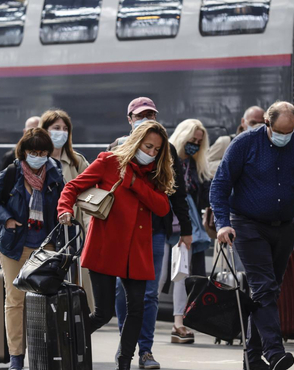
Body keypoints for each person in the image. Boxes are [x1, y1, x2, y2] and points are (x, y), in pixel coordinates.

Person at [211, 101, 294, 370]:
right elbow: (220, 184)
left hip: (284, 226)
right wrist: (222, 223)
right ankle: (274, 350)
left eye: (290, 131)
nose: (285, 137)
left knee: (267, 292)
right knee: (264, 286)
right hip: (247, 225)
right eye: (280, 131)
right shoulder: (245, 143)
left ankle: (253, 360)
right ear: (267, 123)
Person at [58, 121, 173, 370]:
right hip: (106, 245)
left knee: (136, 310)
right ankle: (65, 341)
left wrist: (134, 183)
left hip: (137, 250)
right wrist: (64, 209)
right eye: (148, 146)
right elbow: (73, 186)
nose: (151, 153)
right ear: (136, 142)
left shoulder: (156, 172)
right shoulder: (109, 161)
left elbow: (163, 207)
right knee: (103, 312)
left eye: (156, 149)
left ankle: (124, 361)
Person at [109, 97, 191, 369]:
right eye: (141, 115)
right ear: (130, 120)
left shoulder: (165, 149)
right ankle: (126, 345)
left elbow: (179, 193)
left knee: (149, 294)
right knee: (123, 291)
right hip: (124, 232)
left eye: (151, 114)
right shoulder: (118, 147)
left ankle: (145, 350)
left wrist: (186, 230)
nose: (146, 119)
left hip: (155, 231)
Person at [0, 128, 63, 370]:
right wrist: (7, 218)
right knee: (15, 301)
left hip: (45, 246)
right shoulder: (12, 172)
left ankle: (42, 354)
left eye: (42, 152)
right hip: (14, 246)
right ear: (24, 151)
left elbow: (62, 202)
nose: (37, 156)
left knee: (43, 301)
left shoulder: (54, 174)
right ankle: (17, 357)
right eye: (32, 151)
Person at [168, 118, 214, 344]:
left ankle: (180, 322)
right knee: (172, 273)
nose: (194, 144)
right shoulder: (168, 160)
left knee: (183, 271)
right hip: (171, 221)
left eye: (198, 141)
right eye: (192, 139)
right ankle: (177, 323)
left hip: (189, 223)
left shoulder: (197, 165)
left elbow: (205, 195)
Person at [207, 106, 265, 176]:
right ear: (243, 122)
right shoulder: (225, 142)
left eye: (261, 124)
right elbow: (205, 166)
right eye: (253, 123)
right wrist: (233, 165)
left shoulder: (266, 145)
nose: (257, 127)